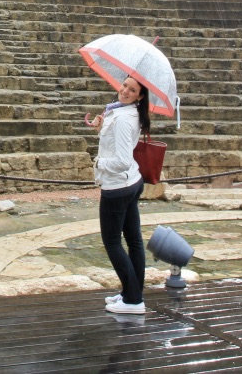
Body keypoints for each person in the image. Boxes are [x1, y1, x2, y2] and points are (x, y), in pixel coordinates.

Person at [87, 76, 150, 315]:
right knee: (134, 241)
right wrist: (101, 127)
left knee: (113, 243)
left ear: (140, 96)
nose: (124, 90)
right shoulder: (124, 111)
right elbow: (118, 147)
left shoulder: (124, 117)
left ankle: (133, 301)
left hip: (117, 187)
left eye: (132, 90)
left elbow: (122, 161)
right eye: (124, 85)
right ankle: (131, 292)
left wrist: (99, 162)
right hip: (132, 183)